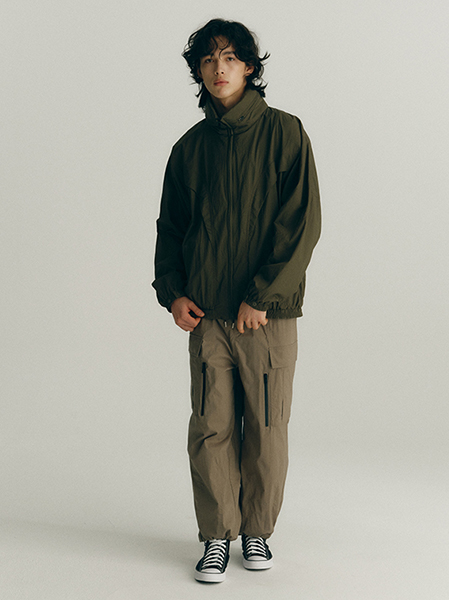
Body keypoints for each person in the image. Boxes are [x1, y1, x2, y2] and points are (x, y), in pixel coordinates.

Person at [152, 18, 321, 583]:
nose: (218, 68)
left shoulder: (285, 133)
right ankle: (216, 537)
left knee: (267, 429)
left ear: (249, 66)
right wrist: (173, 292)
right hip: (207, 316)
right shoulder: (188, 149)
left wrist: (261, 296)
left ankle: (256, 533)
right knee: (211, 427)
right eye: (208, 59)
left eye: (229, 58)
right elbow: (171, 229)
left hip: (265, 318)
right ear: (199, 71)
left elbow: (301, 225)